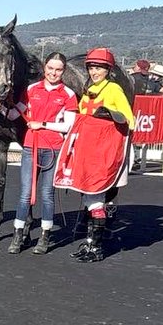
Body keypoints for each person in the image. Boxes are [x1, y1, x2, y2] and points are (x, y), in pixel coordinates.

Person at [0, 52, 77, 254]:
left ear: (63, 71)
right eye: (50, 68)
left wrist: (42, 124)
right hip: (30, 148)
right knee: (25, 194)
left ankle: (45, 236)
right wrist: (2, 108)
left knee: (46, 194)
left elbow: (68, 125)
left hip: (52, 148)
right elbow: (15, 113)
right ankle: (18, 235)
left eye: (58, 69)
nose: (53, 73)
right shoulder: (32, 89)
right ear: (45, 68)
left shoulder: (68, 95)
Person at [68, 47, 136, 263]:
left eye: (98, 68)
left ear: (107, 70)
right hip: (88, 150)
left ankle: (96, 247)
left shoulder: (114, 90)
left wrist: (111, 115)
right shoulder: (89, 90)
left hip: (104, 151)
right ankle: (89, 242)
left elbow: (129, 119)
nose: (94, 72)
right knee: (89, 197)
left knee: (97, 197)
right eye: (91, 68)